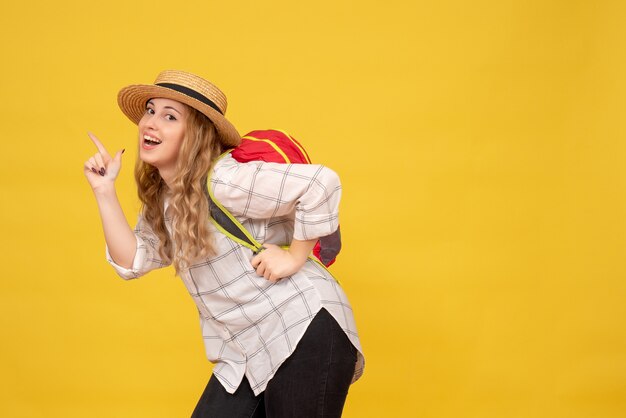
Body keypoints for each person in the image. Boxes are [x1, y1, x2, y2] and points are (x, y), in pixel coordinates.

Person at [83, 70, 364, 417]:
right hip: (245, 350)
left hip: (301, 325)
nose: (151, 123)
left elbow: (322, 183)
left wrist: (294, 258)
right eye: (150, 111)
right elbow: (134, 261)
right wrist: (104, 192)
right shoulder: (165, 198)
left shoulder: (226, 178)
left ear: (196, 134)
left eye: (170, 117)